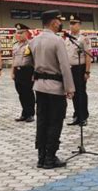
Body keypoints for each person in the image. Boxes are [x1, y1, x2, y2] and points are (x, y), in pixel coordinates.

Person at [29, 10, 75, 169]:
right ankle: (50, 157)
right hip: (55, 88)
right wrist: (70, 87)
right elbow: (64, 66)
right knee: (55, 122)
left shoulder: (33, 41)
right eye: (58, 20)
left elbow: (30, 62)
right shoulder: (57, 41)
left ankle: (41, 157)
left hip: (39, 87)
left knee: (42, 121)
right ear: (54, 22)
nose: (60, 23)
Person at [65, 14, 91, 126]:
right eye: (70, 23)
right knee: (73, 92)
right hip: (69, 69)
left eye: (74, 24)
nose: (71, 26)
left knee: (81, 93)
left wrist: (87, 71)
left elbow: (88, 56)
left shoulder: (83, 39)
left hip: (79, 68)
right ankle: (76, 116)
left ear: (79, 25)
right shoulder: (66, 38)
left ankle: (83, 117)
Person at [11, 23, 35, 122]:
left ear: (26, 33)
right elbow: (14, 59)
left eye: (21, 33)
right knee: (21, 93)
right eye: (17, 33)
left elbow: (35, 60)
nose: (19, 35)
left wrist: (34, 73)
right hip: (18, 71)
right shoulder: (15, 45)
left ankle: (30, 114)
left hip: (27, 71)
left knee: (28, 93)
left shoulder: (31, 45)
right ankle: (24, 113)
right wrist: (12, 72)